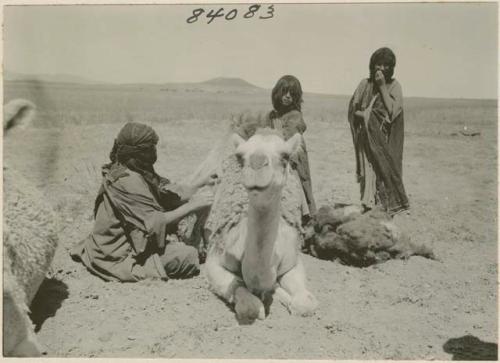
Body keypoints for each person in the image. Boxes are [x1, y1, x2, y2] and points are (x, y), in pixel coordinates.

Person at [70, 122, 216, 282]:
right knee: (188, 256)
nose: (154, 152)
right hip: (115, 254)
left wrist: (201, 183)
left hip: (115, 242)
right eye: (150, 148)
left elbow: (169, 192)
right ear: (138, 152)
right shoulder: (128, 180)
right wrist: (192, 206)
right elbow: (155, 222)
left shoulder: (133, 169)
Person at [348, 47, 409, 215]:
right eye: (378, 64)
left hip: (385, 141)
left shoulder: (395, 86)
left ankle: (384, 209)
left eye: (385, 65)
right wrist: (366, 115)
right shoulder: (365, 84)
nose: (381, 68)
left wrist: (382, 87)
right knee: (368, 173)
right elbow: (353, 110)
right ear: (372, 65)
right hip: (366, 138)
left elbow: (392, 112)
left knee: (383, 172)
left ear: (391, 68)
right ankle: (368, 207)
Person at [266, 75, 317, 221]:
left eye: (292, 94)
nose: (288, 96)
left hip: (292, 158)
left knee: (296, 185)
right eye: (284, 92)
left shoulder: (294, 115)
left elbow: (288, 138)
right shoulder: (272, 115)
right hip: (274, 155)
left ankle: (305, 216)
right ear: (277, 93)